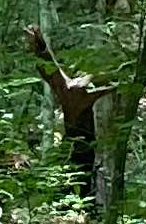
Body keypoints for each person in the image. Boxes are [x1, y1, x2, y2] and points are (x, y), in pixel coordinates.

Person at [25, 25, 107, 212]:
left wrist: (40, 47)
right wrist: (40, 46)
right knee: (81, 174)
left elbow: (49, 71)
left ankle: (82, 208)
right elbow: (49, 69)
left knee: (82, 174)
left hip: (80, 142)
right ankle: (81, 208)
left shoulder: (73, 91)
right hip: (80, 142)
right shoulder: (75, 91)